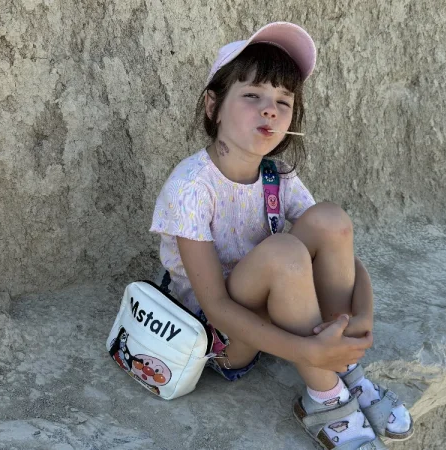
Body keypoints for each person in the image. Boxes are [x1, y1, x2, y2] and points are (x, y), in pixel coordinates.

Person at [150, 22, 413, 449]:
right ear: (213, 106)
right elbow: (216, 307)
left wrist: (361, 316)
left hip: (272, 310)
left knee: (330, 219)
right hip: (222, 337)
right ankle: (324, 398)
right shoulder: (191, 187)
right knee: (284, 251)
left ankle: (343, 366)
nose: (269, 110)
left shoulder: (277, 177)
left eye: (283, 101)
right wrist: (304, 352)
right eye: (252, 95)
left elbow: (341, 251)